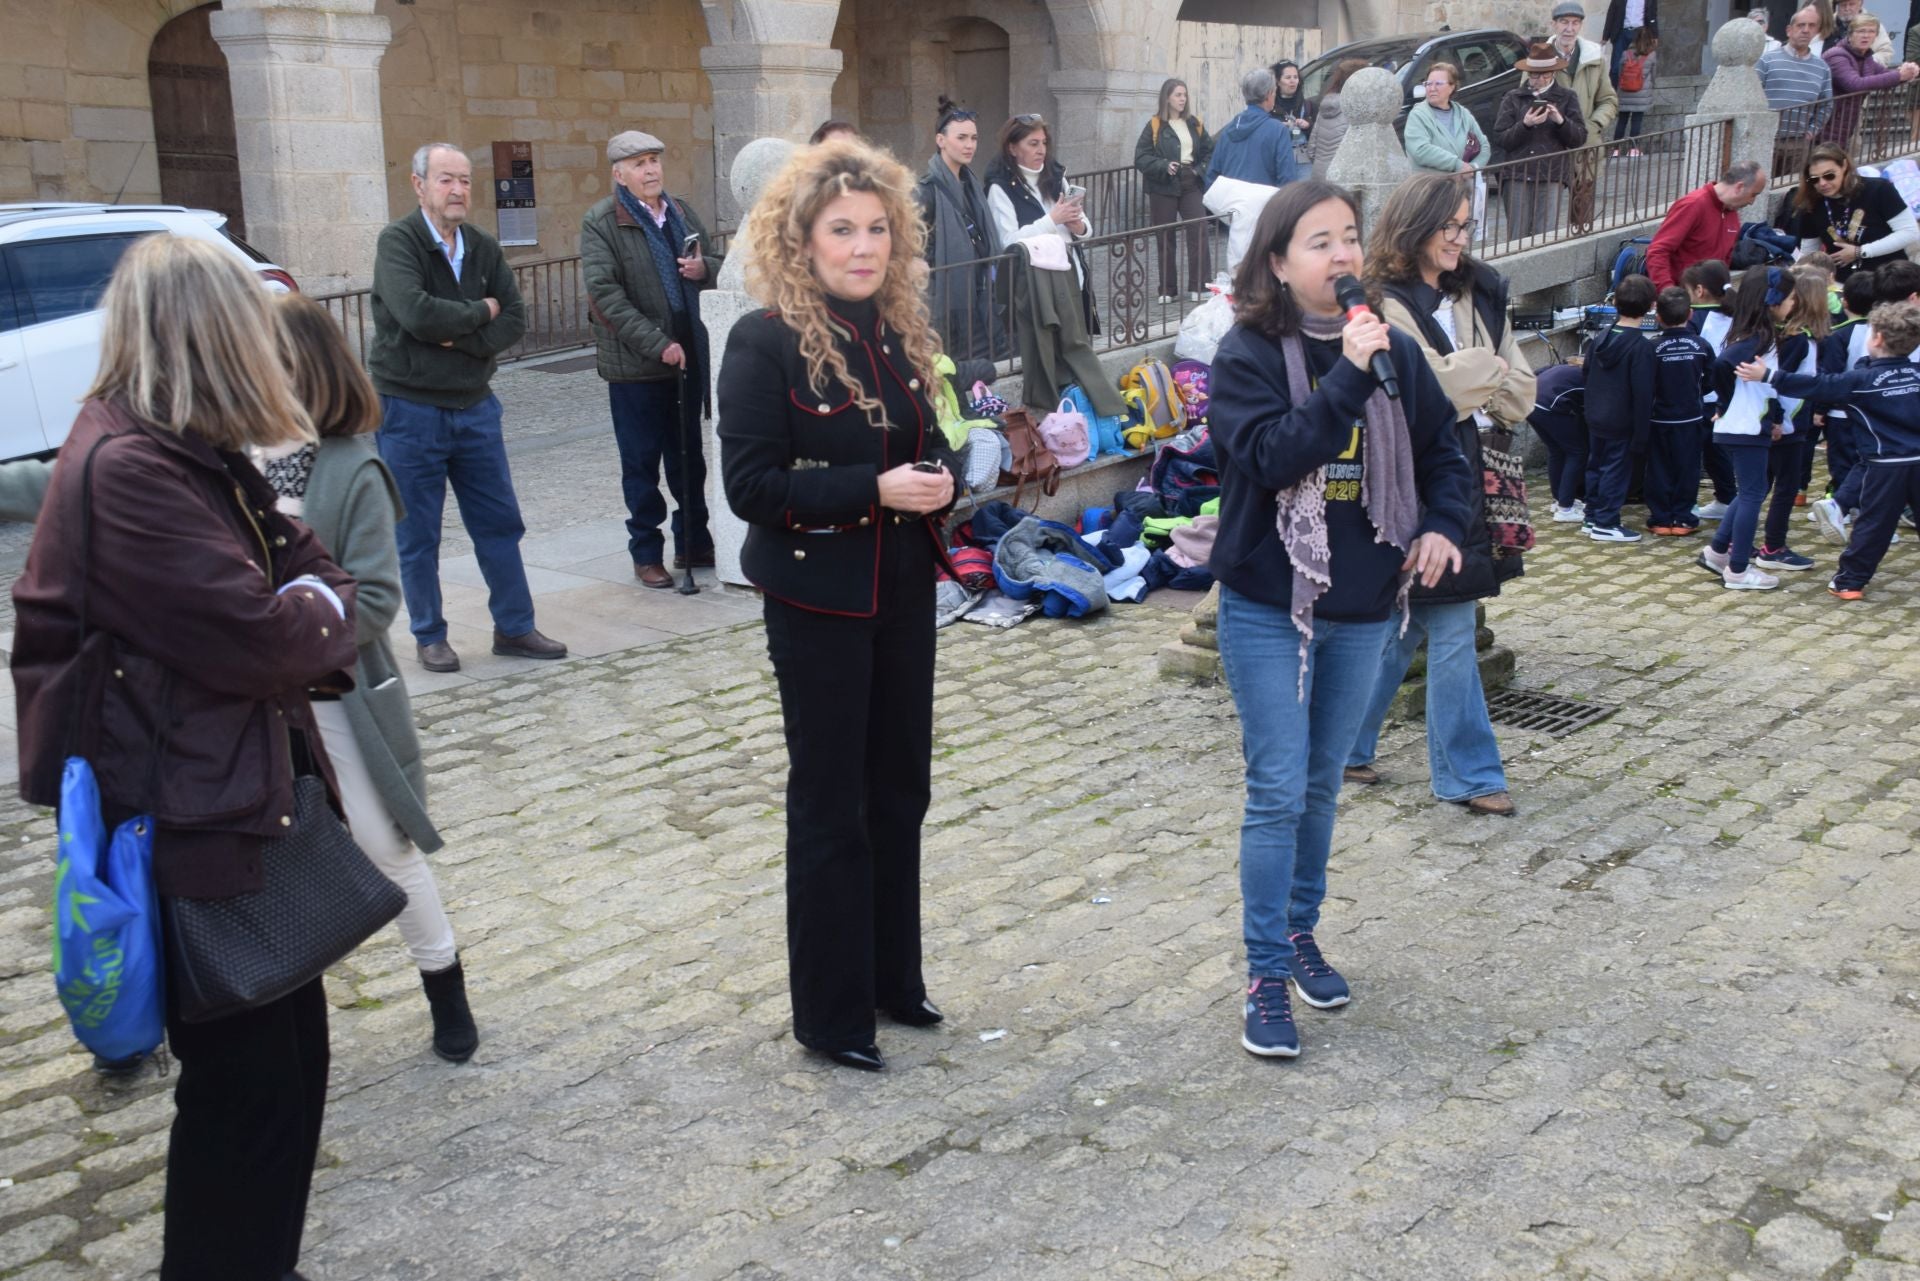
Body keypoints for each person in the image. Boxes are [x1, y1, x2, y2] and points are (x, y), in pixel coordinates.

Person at [12, 235, 359, 1280]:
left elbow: (319, 573)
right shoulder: (129, 470)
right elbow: (268, 635)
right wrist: (308, 610)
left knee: (291, 1066)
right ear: (213, 337)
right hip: (187, 818)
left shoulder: (187, 452)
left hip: (233, 799)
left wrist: (309, 603)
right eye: (254, 328)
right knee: (244, 1092)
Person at [1206, 180, 1475, 1059]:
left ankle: (1299, 933)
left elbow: (1448, 454)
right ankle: (1262, 971)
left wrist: (1440, 525)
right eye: (1318, 242)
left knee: (1323, 782)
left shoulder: (1393, 347)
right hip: (1269, 601)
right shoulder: (1246, 354)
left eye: (1350, 238)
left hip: (1364, 602)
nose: (1342, 256)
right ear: (1279, 264)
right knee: (1278, 786)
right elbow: (1274, 455)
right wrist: (1350, 378)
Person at [717, 139, 962, 1074]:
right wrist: (874, 489)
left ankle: (893, 979)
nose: (862, 247)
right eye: (842, 230)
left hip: (900, 583)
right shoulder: (764, 339)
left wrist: (940, 474)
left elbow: (922, 439)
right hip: (817, 597)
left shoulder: (895, 330)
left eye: (877, 229)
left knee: (901, 788)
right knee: (832, 802)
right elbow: (751, 484)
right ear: (803, 239)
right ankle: (831, 1011)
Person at [261, 294, 478, 1065]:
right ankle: (271, 1003)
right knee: (263, 854)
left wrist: (289, 636)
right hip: (250, 702)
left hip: (333, 697)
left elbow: (378, 600)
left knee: (387, 846)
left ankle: (444, 982)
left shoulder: (353, 465)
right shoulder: (227, 458)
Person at [1344, 173, 1531, 818]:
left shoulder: (1480, 291)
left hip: (1471, 470)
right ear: (1416, 227)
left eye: (1464, 227)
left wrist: (1471, 377)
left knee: (1411, 622)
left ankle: (1341, 743)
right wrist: (1481, 375)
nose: (1458, 239)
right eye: (1447, 226)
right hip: (1411, 477)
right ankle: (1470, 774)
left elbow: (1520, 388)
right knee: (1449, 617)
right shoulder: (1381, 302)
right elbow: (1426, 392)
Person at [370, 142, 564, 673]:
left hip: (476, 407)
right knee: (417, 532)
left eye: (464, 181)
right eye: (445, 180)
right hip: (410, 410)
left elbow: (516, 318)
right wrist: (480, 310)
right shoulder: (398, 242)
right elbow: (416, 315)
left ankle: (515, 626)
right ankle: (430, 635)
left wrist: (466, 339)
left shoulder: (480, 245)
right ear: (419, 185)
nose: (457, 191)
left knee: (499, 523)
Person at [581, 130, 723, 589]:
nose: (651, 171)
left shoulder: (680, 212)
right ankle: (646, 552)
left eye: (655, 161)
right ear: (619, 173)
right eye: (640, 163)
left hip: (688, 355)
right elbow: (606, 297)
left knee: (688, 460)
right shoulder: (602, 221)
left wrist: (707, 269)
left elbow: (716, 260)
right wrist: (657, 342)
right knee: (641, 463)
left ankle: (693, 541)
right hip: (637, 365)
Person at [1741, 299, 1920, 597]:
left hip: (1885, 467)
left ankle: (1849, 582)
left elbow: (1818, 386)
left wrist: (1770, 376)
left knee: (1873, 527)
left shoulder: (1860, 380)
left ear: (1876, 338)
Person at [984, 115, 1124, 416]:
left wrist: (1078, 224)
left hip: (1071, 273)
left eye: (1044, 143)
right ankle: (1060, 416)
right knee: (1053, 352)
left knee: (1077, 348)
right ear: (1012, 148)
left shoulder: (1056, 177)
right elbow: (1008, 242)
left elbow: (1086, 230)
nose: (1041, 150)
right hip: (1037, 286)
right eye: (1032, 144)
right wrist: (1052, 220)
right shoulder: (1000, 189)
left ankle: (1091, 413)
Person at [1700, 266, 1802, 588]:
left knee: (1747, 494)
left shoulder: (1755, 333)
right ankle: (1739, 569)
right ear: (1772, 301)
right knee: (1752, 496)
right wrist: (1723, 403)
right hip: (1744, 428)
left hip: (1745, 425)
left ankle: (1718, 552)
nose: (1794, 302)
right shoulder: (1759, 336)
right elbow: (1722, 364)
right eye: (1791, 297)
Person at [917, 97, 1006, 361]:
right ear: (941, 140)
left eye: (974, 138)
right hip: (948, 303)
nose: (969, 145)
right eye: (962, 138)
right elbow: (916, 249)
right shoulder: (926, 191)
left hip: (981, 295)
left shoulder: (972, 185)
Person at [1583, 273, 1656, 541]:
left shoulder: (1600, 338)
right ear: (1651, 307)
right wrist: (1641, 432)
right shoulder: (1641, 347)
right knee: (1615, 469)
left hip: (1595, 414)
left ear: (1615, 302)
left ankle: (1591, 516)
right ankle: (1606, 521)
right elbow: (1643, 394)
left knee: (1595, 465)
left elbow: (1586, 374)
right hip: (1622, 420)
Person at [1495, 43, 1589, 239]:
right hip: (1517, 174)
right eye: (1534, 75)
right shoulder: (1513, 98)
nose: (1539, 79)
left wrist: (1560, 121)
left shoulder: (1567, 97)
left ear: (1553, 74)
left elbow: (1579, 138)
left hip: (1551, 175)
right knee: (1517, 237)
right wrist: (1525, 124)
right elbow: (1501, 139)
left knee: (1545, 236)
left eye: (1545, 74)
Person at [1134, 77, 1216, 303]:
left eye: (1185, 94)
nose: (1183, 99)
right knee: (1165, 236)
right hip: (1163, 185)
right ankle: (1167, 289)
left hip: (1191, 181)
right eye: (1178, 95)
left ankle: (1200, 285)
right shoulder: (1154, 125)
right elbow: (1141, 157)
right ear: (1167, 98)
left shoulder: (1194, 124)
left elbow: (1210, 151)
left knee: (1198, 229)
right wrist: (1163, 165)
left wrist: (1199, 170)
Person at [1807, 269, 1875, 533]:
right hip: (1874, 413)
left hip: (1841, 413)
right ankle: (1859, 511)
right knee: (1869, 463)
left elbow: (1831, 376)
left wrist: (1820, 409)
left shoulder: (1837, 335)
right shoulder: (1886, 330)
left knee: (1843, 462)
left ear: (1844, 301)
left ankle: (1843, 509)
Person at [1789, 143, 1920, 278]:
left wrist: (1860, 251)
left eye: (1829, 175)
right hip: (1844, 283)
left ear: (1844, 166)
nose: (1822, 183)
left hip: (1889, 277)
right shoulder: (1812, 204)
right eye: (1815, 179)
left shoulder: (1878, 189)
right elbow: (1810, 253)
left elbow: (1909, 232)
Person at [1647, 286, 1717, 533]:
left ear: (1657, 317)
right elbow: (1713, 377)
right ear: (1690, 314)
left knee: (1658, 467)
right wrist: (1696, 394)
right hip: (1691, 417)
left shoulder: (1651, 348)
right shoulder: (1701, 345)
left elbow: (1644, 383)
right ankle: (1684, 517)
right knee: (1688, 468)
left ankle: (1661, 518)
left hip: (1658, 418)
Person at [1549, 1, 1619, 232]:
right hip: (1552, 142)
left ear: (1580, 26)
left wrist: (1594, 124)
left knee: (1582, 212)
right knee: (1548, 208)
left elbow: (1608, 100)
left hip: (1586, 143)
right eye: (1564, 23)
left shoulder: (1593, 57)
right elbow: (1525, 96)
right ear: (1554, 25)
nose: (1569, 29)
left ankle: (1579, 243)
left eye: (1575, 23)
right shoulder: (1541, 56)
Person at [1645, 161, 1768, 289]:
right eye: (1753, 195)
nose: (1752, 202)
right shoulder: (1693, 205)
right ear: (1739, 187)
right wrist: (1669, 293)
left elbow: (1725, 261)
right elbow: (1658, 251)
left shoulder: (1732, 215)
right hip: (1682, 297)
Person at [1683, 258, 1741, 518]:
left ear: (1699, 291)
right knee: (1718, 451)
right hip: (1731, 393)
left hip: (1703, 393)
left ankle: (1688, 503)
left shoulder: (1696, 317)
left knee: (1693, 452)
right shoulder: (1738, 313)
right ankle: (1727, 497)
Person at [1761, 8, 1837, 176]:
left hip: (1798, 142)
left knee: (1792, 191)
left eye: (1811, 26)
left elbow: (1826, 104)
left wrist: (1811, 132)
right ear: (1789, 30)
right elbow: (1752, 96)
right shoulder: (1767, 60)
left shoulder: (1822, 68)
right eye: (1801, 25)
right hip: (1766, 139)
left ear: (1816, 31)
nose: (1806, 30)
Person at [1823, 14, 1920, 145]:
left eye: (1871, 31)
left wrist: (1909, 71)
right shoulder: (1837, 55)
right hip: (1824, 125)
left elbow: (1887, 75)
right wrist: (1900, 75)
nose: (1866, 35)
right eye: (1861, 31)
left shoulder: (1866, 58)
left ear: (1876, 36)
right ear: (1850, 34)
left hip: (1844, 127)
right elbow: (1855, 84)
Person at [1209, 67, 1301, 189]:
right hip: (1265, 204)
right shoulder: (1278, 130)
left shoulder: (1228, 129)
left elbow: (1213, 175)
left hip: (1230, 204)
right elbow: (1287, 179)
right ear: (1268, 95)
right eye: (1274, 92)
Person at [1404, 62, 1493, 179]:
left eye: (1438, 84)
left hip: (1461, 187)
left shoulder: (1463, 114)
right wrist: (1457, 165)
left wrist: (1472, 168)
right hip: (1430, 188)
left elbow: (1484, 146)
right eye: (1428, 83)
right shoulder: (1418, 115)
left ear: (1452, 87)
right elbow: (1420, 150)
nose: (1432, 88)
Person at [1531, 361, 1590, 519]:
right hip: (1549, 407)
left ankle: (1559, 501)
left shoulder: (1567, 369)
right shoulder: (1590, 380)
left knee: (1556, 451)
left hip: (1529, 404)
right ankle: (1566, 508)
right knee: (1578, 452)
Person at [1307, 58, 1369, 180]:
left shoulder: (1326, 106)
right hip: (1344, 177)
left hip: (1319, 174)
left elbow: (1311, 148)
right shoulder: (1357, 109)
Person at [1613, 30, 1659, 155]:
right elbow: (1653, 76)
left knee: (1622, 121)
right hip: (1641, 93)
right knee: (1636, 121)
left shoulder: (1625, 54)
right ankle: (1633, 149)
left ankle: (1615, 149)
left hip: (1625, 92)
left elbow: (1620, 73)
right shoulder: (1651, 55)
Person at [1270, 60, 1316, 165]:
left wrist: (1308, 125)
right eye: (1288, 77)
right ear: (1277, 81)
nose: (1293, 81)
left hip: (1304, 160)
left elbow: (1320, 134)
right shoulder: (1269, 107)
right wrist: (1277, 127)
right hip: (1278, 159)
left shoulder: (1309, 106)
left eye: (1295, 77)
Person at [1603, 0, 1658, 84]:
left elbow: (1652, 16)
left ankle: (1634, 91)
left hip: (1640, 35)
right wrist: (1605, 36)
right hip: (1621, 33)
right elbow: (1611, 13)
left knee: (1637, 67)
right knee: (1615, 67)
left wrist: (1654, 35)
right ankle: (1613, 93)